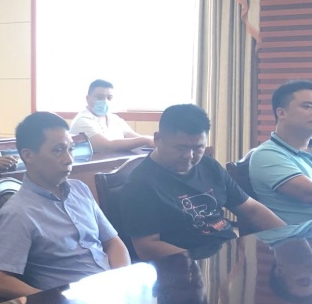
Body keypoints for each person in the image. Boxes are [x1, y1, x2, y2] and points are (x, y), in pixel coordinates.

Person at [0, 112, 130, 299]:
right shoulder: (19, 212)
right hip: (71, 302)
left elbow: (113, 242)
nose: (69, 159)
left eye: (70, 149)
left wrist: (121, 280)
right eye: (58, 150)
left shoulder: (80, 189)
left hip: (111, 291)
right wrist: (52, 300)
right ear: (28, 155)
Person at [119, 103, 284, 260]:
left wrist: (288, 238)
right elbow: (147, 247)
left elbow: (252, 210)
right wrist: (201, 264)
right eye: (180, 148)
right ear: (157, 139)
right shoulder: (140, 184)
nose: (189, 156)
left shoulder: (208, 165)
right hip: (183, 265)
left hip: (226, 255)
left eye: (198, 148)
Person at [249, 80, 312, 224]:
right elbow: (310, 194)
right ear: (281, 113)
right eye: (307, 106)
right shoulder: (267, 155)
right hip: (304, 234)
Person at [68, 80, 151, 155]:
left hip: (120, 163)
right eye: (100, 97)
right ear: (88, 98)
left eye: (109, 98)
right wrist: (145, 140)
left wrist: (153, 141)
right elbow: (106, 146)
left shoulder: (115, 119)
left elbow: (135, 138)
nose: (105, 101)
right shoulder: (82, 121)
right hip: (96, 166)